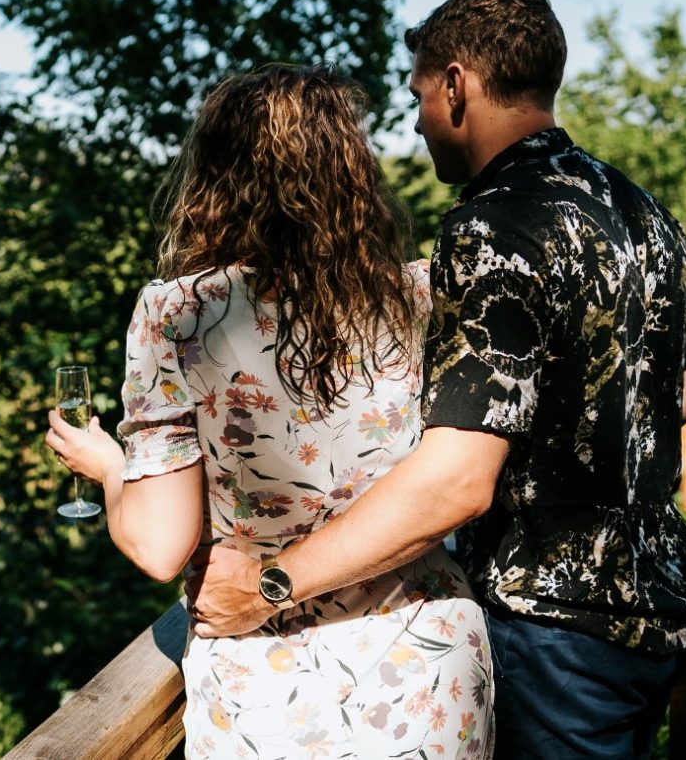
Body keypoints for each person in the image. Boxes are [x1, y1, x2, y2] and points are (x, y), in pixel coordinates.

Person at [171, 0, 686, 758]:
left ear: (458, 85)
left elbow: (456, 481)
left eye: (420, 95)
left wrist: (270, 587)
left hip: (554, 633)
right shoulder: (641, 210)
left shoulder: (490, 226)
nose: (417, 119)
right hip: (664, 611)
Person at [48, 64, 494, 758]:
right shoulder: (423, 296)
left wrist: (110, 469)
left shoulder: (179, 315)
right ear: (352, 172)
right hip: (428, 670)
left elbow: (162, 545)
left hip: (273, 693)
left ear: (215, 176)